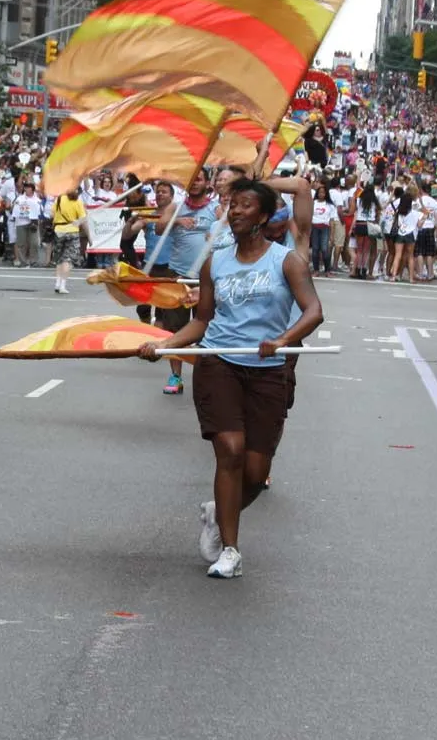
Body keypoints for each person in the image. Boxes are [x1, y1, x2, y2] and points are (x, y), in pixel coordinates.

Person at [138, 178, 323, 578]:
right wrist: (165, 344)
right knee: (231, 450)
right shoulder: (215, 262)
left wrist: (283, 340)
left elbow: (314, 312)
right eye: (232, 204)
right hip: (218, 363)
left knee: (255, 473)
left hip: (268, 371)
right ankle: (231, 550)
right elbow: (202, 321)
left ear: (264, 216)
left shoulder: (286, 261)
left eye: (244, 205)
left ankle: (218, 513)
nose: (235, 211)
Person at [154, 171, 218, 395]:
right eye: (191, 179)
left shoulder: (215, 208)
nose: (194, 183)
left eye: (199, 179)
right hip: (178, 275)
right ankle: (176, 376)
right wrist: (177, 220)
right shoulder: (176, 206)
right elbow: (158, 228)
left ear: (207, 183)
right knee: (175, 329)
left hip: (207, 278)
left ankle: (208, 376)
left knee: (209, 328)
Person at [51, 188, 87, 294]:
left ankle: (57, 283)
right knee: (67, 259)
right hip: (72, 231)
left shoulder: (59, 199)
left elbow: (51, 214)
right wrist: (77, 222)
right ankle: (63, 285)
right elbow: (83, 218)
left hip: (59, 230)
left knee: (59, 258)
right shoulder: (78, 202)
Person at [352, 181, 379, 280]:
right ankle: (364, 270)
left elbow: (356, 191)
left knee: (359, 250)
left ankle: (357, 270)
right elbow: (377, 213)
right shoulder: (375, 202)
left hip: (360, 224)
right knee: (366, 250)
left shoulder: (359, 200)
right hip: (369, 225)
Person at [310, 183, 335, 275]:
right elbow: (309, 217)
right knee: (315, 249)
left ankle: (327, 270)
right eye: (320, 192)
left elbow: (332, 221)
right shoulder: (313, 203)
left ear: (326, 194)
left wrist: (332, 235)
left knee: (325, 249)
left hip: (325, 228)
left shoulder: (330, 205)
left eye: (323, 192)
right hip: (314, 227)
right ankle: (316, 270)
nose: (321, 194)